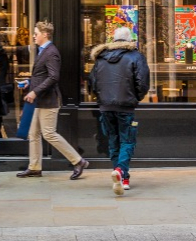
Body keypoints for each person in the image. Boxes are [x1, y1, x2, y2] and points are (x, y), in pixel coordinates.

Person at [16, 20, 89, 180]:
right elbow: (42, 75)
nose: (33, 36)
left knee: (48, 133)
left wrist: (34, 91)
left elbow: (53, 77)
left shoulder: (51, 52)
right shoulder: (43, 51)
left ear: (45, 34)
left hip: (49, 100)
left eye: (36, 33)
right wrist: (29, 82)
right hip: (40, 100)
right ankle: (34, 167)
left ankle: (78, 161)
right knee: (33, 133)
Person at [88, 26, 150, 195]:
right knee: (128, 140)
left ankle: (123, 177)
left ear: (114, 40)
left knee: (113, 140)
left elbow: (92, 82)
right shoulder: (136, 56)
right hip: (126, 105)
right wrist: (135, 97)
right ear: (129, 40)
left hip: (105, 106)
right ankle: (121, 172)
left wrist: (101, 97)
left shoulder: (100, 58)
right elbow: (142, 82)